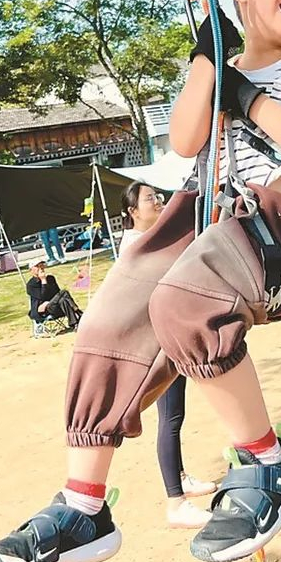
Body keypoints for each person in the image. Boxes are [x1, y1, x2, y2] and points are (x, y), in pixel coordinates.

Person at [0, 0, 281, 562]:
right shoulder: (217, 63)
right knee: (110, 320)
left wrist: (247, 98)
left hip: (280, 222)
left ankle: (269, 460)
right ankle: (83, 505)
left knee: (185, 301)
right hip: (205, 211)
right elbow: (185, 137)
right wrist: (209, 60)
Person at [119, 181, 216, 529]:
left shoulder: (149, 240)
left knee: (174, 414)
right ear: (132, 212)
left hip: (168, 334)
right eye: (150, 199)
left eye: (158, 197)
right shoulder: (135, 247)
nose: (157, 202)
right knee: (170, 418)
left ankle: (180, 476)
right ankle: (175, 501)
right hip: (158, 342)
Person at [26, 260, 82, 334]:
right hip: (46, 310)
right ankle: (78, 312)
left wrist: (46, 280)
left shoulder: (51, 278)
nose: (40, 268)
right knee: (64, 292)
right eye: (37, 266)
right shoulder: (31, 285)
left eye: (41, 265)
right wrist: (43, 280)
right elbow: (43, 297)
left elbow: (57, 293)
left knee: (63, 299)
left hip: (57, 305)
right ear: (31, 270)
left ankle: (74, 324)